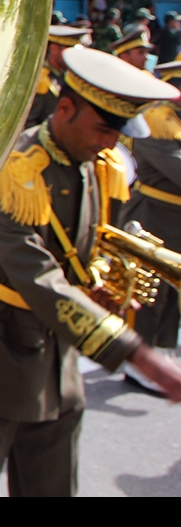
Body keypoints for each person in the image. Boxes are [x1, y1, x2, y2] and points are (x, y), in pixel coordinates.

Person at [0, 46, 181, 496]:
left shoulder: (91, 161)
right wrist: (139, 353)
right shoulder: (13, 167)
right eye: (104, 129)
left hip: (60, 363)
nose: (111, 143)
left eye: (118, 132)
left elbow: (90, 246)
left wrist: (106, 282)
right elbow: (38, 278)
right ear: (66, 108)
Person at [119, 61, 181, 391]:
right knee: (149, 294)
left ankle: (161, 351)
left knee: (172, 293)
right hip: (154, 217)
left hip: (176, 221)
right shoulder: (158, 124)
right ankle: (137, 360)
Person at [25, 24, 91, 129]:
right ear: (54, 49)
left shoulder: (68, 76)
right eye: (67, 50)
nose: (72, 56)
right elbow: (29, 120)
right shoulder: (42, 79)